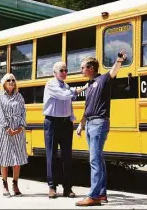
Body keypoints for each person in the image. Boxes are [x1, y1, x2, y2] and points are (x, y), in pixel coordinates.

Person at [75, 51, 127, 206]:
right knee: (98, 159)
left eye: (83, 67)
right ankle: (101, 193)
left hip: (99, 123)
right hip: (90, 123)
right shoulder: (89, 85)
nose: (81, 70)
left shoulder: (103, 79)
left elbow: (113, 72)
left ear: (91, 68)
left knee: (94, 160)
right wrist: (81, 124)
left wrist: (118, 60)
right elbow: (88, 107)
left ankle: (94, 196)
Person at [43, 61, 87, 199]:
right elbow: (63, 95)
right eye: (62, 70)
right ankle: (52, 186)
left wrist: (72, 119)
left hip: (65, 123)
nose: (64, 73)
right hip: (52, 122)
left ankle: (67, 188)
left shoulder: (66, 86)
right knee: (52, 155)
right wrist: (77, 90)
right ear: (54, 73)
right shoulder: (50, 84)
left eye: (66, 70)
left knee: (67, 157)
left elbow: (69, 104)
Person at [0, 73, 28, 198]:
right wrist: (7, 128)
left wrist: (20, 127)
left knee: (17, 158)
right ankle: (4, 183)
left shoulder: (19, 96)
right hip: (4, 130)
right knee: (4, 158)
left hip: (18, 130)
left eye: (13, 80)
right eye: (8, 80)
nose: (11, 82)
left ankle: (15, 184)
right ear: (4, 83)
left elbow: (23, 111)